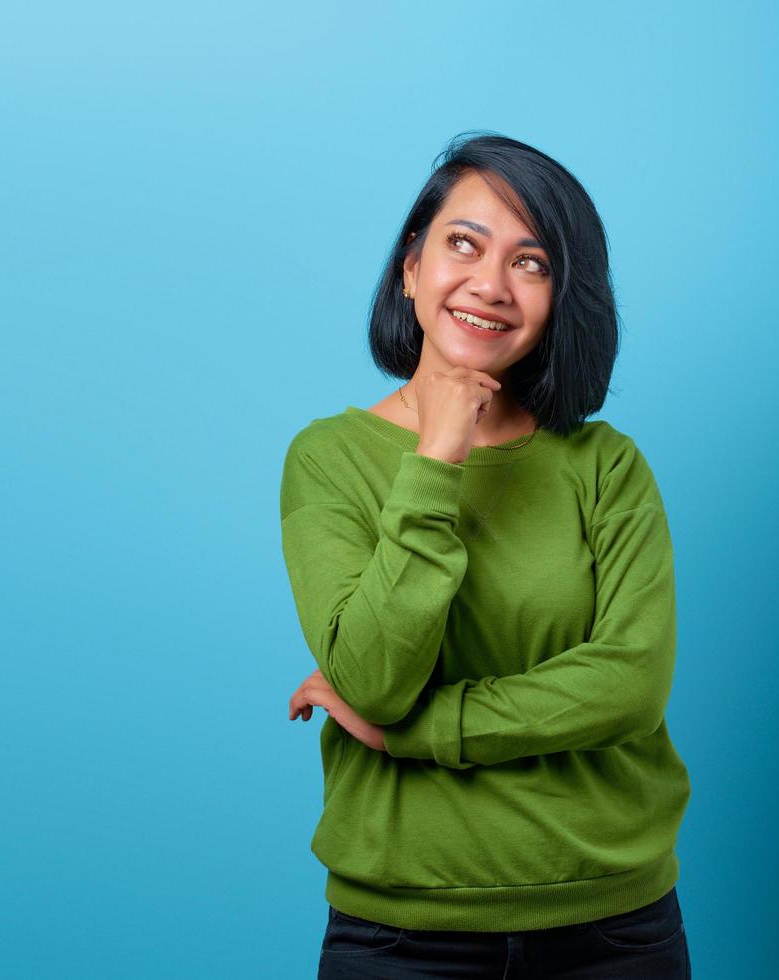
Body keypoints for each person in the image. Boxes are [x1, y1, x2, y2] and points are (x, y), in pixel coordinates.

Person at [278, 132, 692, 979]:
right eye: (462, 244)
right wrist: (435, 459)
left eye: (531, 263)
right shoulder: (326, 459)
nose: (489, 285)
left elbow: (630, 682)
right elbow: (373, 680)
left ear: (559, 298)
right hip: (398, 937)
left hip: (613, 928)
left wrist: (420, 734)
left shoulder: (603, 466)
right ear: (409, 269)